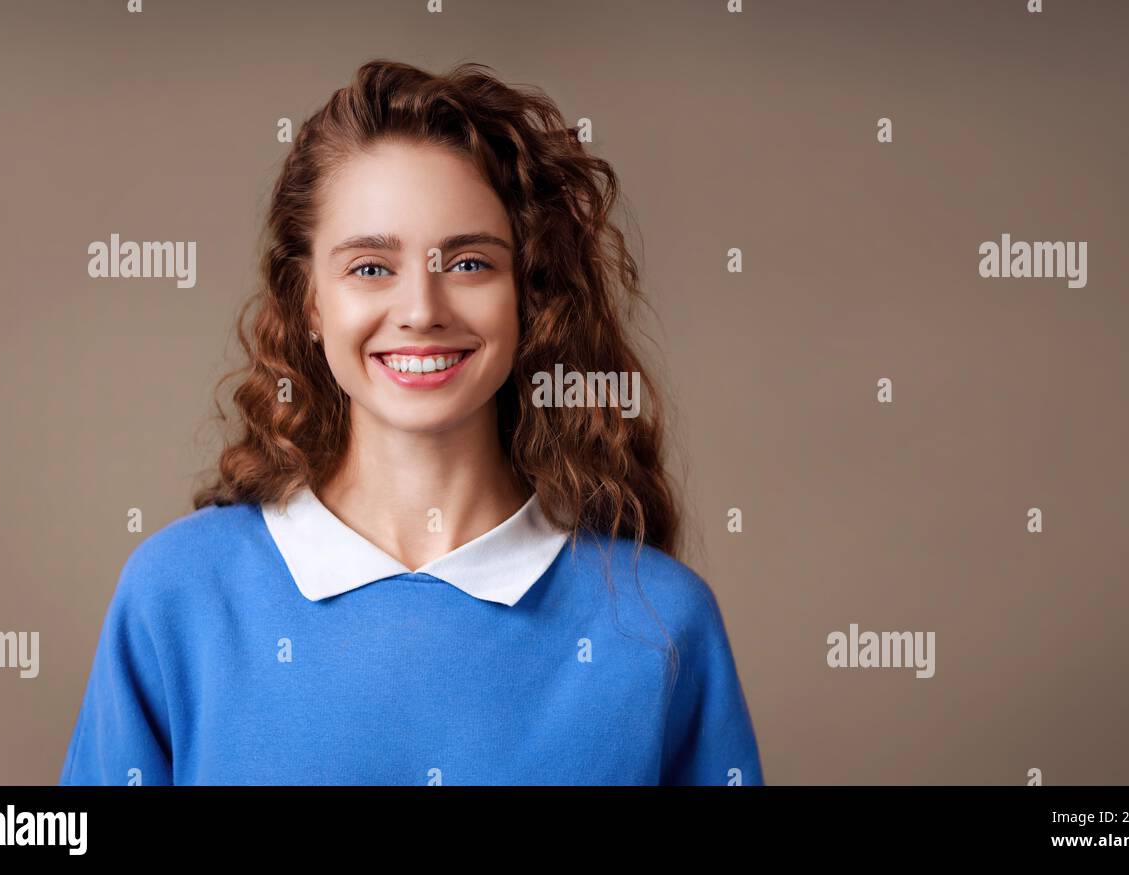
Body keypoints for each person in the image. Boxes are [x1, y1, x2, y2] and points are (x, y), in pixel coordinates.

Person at [59, 58, 764, 786]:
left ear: (527, 292)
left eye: (467, 263)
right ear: (309, 302)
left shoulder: (661, 624)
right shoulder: (176, 595)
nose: (422, 310)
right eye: (370, 267)